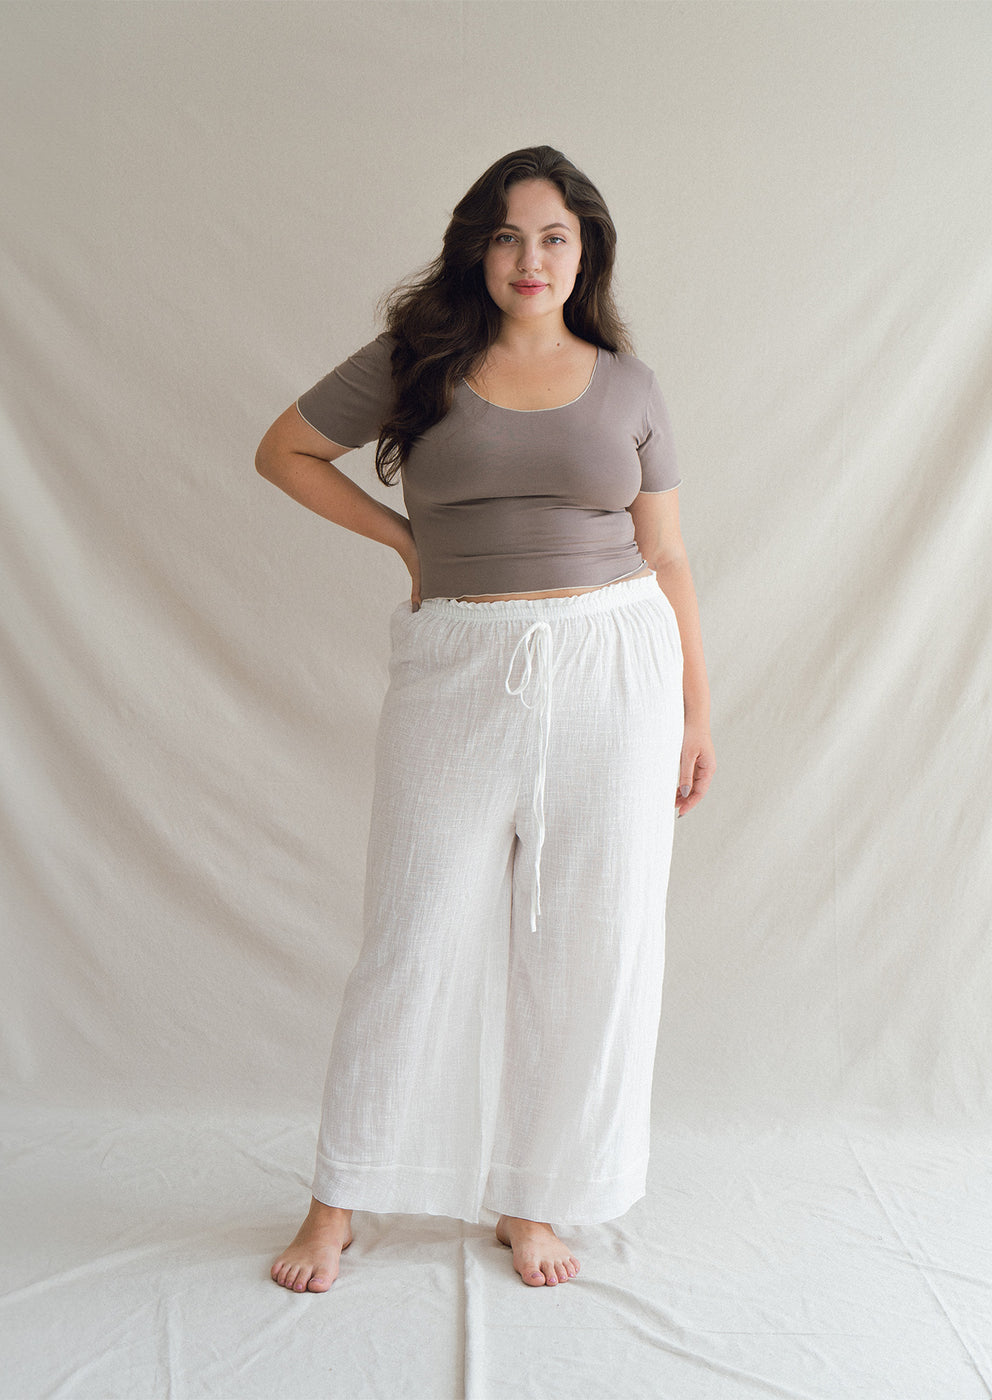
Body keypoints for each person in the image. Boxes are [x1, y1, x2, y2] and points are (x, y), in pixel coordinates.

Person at [256, 145, 714, 1292]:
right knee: (412, 933)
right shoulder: (418, 359)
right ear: (478, 248)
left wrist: (694, 712)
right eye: (507, 235)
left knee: (588, 937)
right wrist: (405, 542)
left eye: (553, 236)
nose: (530, 258)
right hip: (460, 660)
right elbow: (284, 450)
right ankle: (337, 1199)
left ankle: (532, 1196)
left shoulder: (629, 383)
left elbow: (665, 553)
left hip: (616, 663)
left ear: (585, 252)